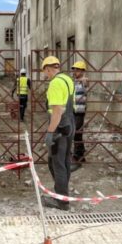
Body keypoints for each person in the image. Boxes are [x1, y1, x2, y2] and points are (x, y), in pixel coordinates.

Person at [40, 56, 75, 211]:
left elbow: (57, 111)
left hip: (59, 128)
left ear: (48, 68)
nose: (46, 75)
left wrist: (50, 132)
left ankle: (62, 201)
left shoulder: (55, 83)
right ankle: (63, 195)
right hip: (70, 125)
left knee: (56, 165)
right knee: (65, 162)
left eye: (45, 72)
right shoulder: (67, 79)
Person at [70, 61, 88, 172]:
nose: (74, 71)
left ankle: (78, 156)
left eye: (77, 69)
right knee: (76, 133)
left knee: (77, 132)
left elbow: (87, 82)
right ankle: (81, 155)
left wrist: (83, 80)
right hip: (73, 111)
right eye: (74, 69)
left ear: (82, 71)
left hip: (80, 111)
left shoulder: (84, 81)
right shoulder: (74, 82)